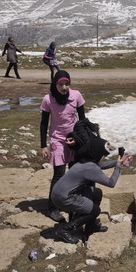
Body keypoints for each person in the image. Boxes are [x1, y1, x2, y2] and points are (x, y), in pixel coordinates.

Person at [51, 137, 132, 244]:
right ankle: (65, 229)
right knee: (95, 211)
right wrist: (118, 166)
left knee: (97, 193)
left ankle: (90, 226)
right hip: (63, 198)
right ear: (97, 153)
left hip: (59, 193)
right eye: (104, 154)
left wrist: (118, 162)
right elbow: (111, 183)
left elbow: (100, 165)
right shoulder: (90, 168)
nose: (104, 156)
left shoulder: (86, 161)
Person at [40, 70, 86, 223]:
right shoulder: (48, 99)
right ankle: (52, 207)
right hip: (57, 140)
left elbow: (82, 121)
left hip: (74, 139)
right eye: (61, 84)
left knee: (74, 172)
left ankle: (69, 200)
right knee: (59, 174)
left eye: (67, 84)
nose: (64, 87)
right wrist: (43, 146)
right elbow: (44, 123)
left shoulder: (76, 96)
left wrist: (83, 140)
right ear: (55, 84)